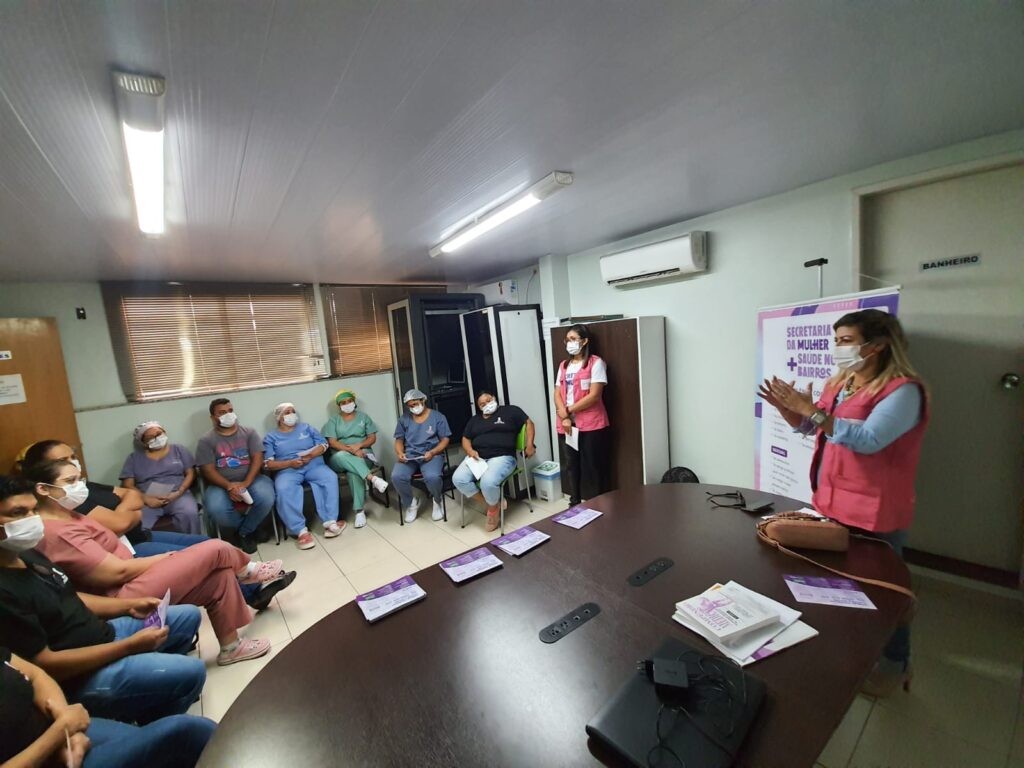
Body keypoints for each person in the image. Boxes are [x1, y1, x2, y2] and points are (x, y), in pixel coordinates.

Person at [758, 309, 928, 697]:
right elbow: (814, 428)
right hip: (831, 502)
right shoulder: (842, 383)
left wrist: (812, 411)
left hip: (876, 511)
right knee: (838, 589)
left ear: (879, 345)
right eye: (836, 341)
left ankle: (895, 663)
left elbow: (869, 439)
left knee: (885, 595)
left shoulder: (903, 391)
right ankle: (850, 655)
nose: (838, 349)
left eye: (846, 341)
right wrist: (791, 410)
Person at [26, 460, 278, 666]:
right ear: (43, 489)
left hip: (133, 573)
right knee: (215, 548)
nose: (79, 487)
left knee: (219, 576)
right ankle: (247, 570)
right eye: (69, 482)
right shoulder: (55, 531)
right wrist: (163, 559)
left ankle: (231, 648)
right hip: (121, 592)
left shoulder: (71, 514)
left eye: (78, 480)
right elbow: (113, 573)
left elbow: (126, 516)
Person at [0, 475, 207, 725]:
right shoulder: (5, 591)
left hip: (102, 631)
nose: (32, 520)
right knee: (192, 672)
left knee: (187, 616)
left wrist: (128, 606)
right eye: (18, 513)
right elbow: (46, 665)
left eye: (33, 510)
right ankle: (151, 721)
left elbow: (71, 596)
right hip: (82, 674)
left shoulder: (25, 552)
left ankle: (154, 696)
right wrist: (129, 647)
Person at [19, 440, 291, 611]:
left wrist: (129, 507)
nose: (72, 462)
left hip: (141, 533)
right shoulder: (66, 500)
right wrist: (129, 509)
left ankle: (252, 589)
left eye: (72, 456)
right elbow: (125, 515)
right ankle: (251, 581)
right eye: (63, 461)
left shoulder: (81, 485)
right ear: (44, 478)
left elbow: (131, 497)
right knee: (211, 550)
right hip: (135, 549)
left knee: (209, 545)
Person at [0, 647, 214, 768]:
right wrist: (60, 733)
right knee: (187, 734)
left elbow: (36, 675)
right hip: (45, 753)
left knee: (163, 752)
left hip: (58, 730)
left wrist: (67, 723)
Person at [196, 398, 276, 554]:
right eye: (222, 412)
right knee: (216, 509)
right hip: (221, 484)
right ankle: (248, 529)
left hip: (252, 479)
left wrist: (246, 482)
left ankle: (244, 532)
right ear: (213, 417)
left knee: (266, 498)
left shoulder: (249, 432)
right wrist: (229, 486)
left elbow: (258, 458)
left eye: (230, 411)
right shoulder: (206, 440)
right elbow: (207, 470)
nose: (228, 415)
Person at [264, 402, 343, 550]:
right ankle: (300, 531)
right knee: (283, 487)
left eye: (293, 411)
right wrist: (289, 463)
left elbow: (323, 444)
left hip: (314, 465)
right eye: (287, 412)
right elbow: (268, 464)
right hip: (288, 470)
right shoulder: (271, 437)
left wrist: (312, 454)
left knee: (329, 477)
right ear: (279, 418)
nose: (291, 415)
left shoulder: (306, 428)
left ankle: (330, 521)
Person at [453, 391, 535, 532]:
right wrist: (470, 451)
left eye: (488, 400)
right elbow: (465, 439)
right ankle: (492, 504)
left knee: (487, 482)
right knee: (458, 479)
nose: (486, 404)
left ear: (494, 398)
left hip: (502, 457)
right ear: (479, 407)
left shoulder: (510, 411)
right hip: (477, 458)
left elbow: (529, 423)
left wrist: (529, 444)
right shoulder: (474, 420)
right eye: (482, 404)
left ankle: (492, 510)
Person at [553, 324, 610, 506]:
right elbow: (557, 392)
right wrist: (565, 416)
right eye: (567, 340)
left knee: (594, 466)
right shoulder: (564, 365)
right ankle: (574, 501)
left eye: (573, 339)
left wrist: (568, 411)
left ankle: (599, 503)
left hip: (591, 424)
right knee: (572, 465)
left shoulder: (595, 363)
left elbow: (594, 396)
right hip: (567, 424)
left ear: (584, 341)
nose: (569, 343)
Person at [323, 389, 389, 529]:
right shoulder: (333, 421)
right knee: (342, 456)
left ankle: (359, 511)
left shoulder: (364, 417)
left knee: (353, 472)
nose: (347, 404)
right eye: (343, 403)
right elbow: (332, 442)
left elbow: (372, 438)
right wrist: (351, 449)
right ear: (338, 405)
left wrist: (359, 445)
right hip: (339, 457)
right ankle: (373, 479)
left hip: (363, 454)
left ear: (354, 402)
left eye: (349, 401)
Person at [119, 421, 201, 535]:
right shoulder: (134, 458)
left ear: (164, 433)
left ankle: (195, 546)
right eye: (150, 437)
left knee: (189, 513)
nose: (156, 438)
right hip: (147, 500)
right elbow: (127, 484)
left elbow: (191, 473)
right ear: (143, 442)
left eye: (159, 433)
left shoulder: (178, 450)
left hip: (178, 495)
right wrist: (146, 499)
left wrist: (178, 492)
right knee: (138, 523)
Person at [392, 389, 451, 523]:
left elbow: (445, 440)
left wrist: (433, 452)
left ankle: (437, 501)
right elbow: (399, 440)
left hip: (431, 454)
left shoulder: (438, 417)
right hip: (410, 455)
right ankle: (411, 503)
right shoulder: (404, 419)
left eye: (415, 404)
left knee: (432, 477)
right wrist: (400, 453)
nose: (413, 408)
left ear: (423, 400)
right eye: (410, 405)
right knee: (397, 476)